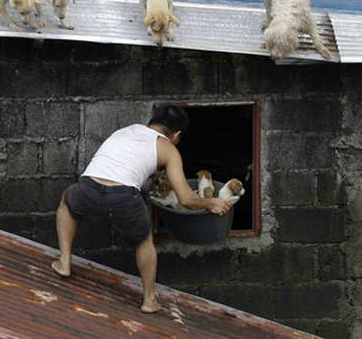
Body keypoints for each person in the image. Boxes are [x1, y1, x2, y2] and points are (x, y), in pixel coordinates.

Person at [51, 104, 231, 313]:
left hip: (89, 187)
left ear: (152, 121)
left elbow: (122, 162)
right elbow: (186, 198)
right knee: (144, 240)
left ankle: (64, 262)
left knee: (67, 203)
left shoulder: (126, 131)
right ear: (176, 134)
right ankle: (149, 300)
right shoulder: (169, 149)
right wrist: (212, 203)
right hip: (122, 197)